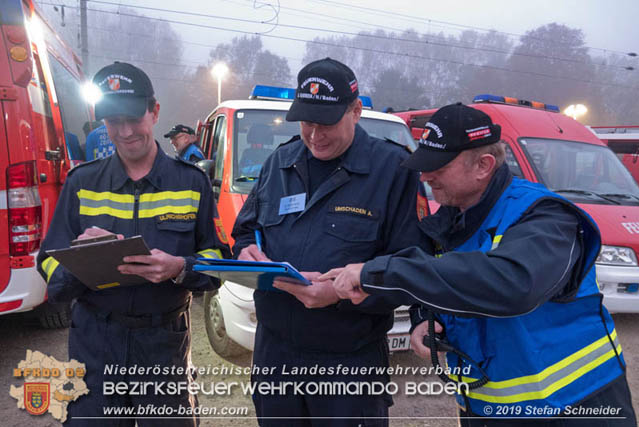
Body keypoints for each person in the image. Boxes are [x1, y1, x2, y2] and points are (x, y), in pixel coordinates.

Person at [327, 103, 637, 426]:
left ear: (483, 165)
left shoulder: (545, 216)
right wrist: (423, 317)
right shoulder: (450, 221)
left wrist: (381, 273)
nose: (425, 176)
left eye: (438, 166)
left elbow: (512, 284)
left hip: (576, 408)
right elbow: (444, 279)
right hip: (486, 409)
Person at [231, 57, 429, 426]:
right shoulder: (280, 162)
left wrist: (339, 292)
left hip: (348, 360)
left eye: (326, 123)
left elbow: (413, 267)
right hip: (275, 355)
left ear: (355, 111)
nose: (315, 135)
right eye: (307, 122)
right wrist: (245, 250)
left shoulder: (394, 170)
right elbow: (245, 230)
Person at [37, 61, 230, 426]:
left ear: (154, 112)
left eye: (133, 119)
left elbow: (217, 258)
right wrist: (80, 260)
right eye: (113, 122)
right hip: (95, 343)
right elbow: (48, 262)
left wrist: (182, 268)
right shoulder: (82, 183)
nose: (124, 132)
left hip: (164, 344)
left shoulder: (191, 183)